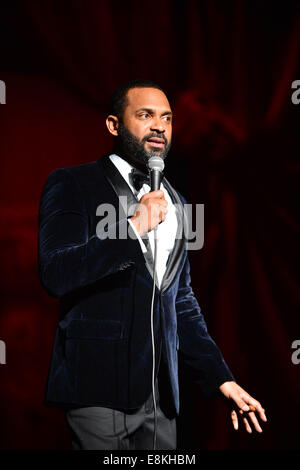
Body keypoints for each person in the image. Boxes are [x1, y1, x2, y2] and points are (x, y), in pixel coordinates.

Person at [38, 79, 267, 450]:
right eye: (145, 115)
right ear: (114, 125)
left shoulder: (176, 202)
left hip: (162, 401)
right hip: (98, 391)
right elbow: (56, 273)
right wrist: (133, 228)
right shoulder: (73, 183)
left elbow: (181, 302)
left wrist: (219, 377)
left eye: (167, 118)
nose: (159, 126)